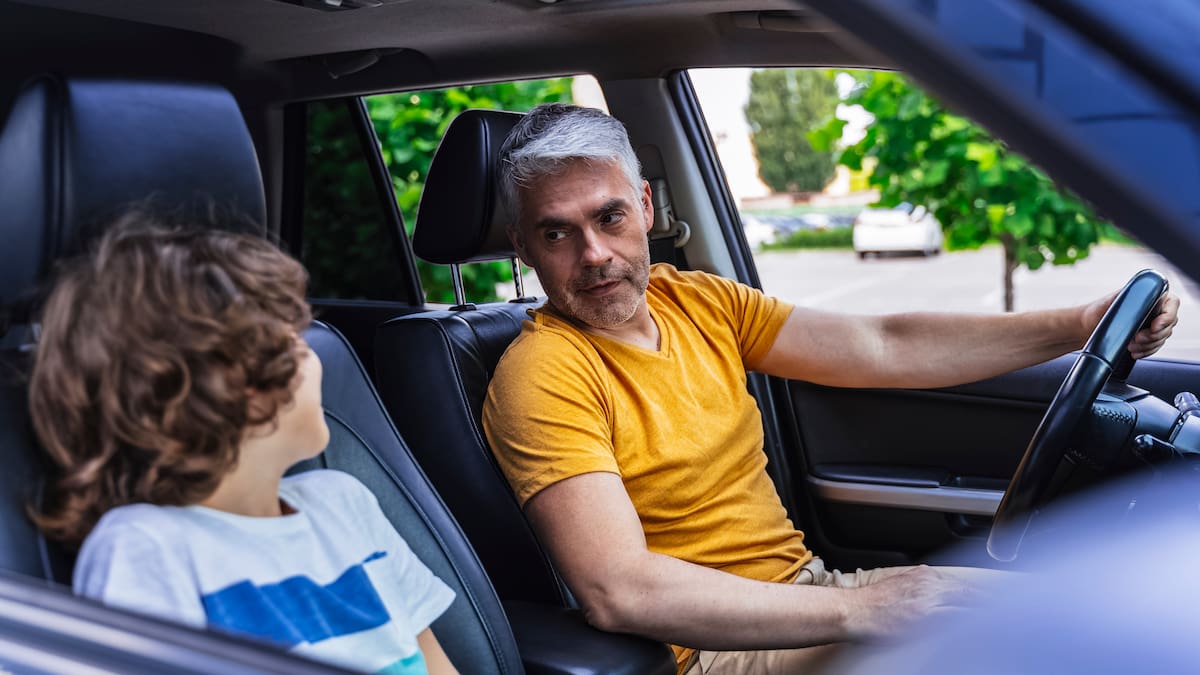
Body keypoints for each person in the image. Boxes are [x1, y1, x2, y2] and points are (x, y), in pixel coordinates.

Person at [480, 103, 1180, 675]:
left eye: (608, 218)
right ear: (524, 247)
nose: (596, 254)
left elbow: (884, 344)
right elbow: (619, 589)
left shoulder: (695, 301)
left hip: (809, 594)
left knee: (1101, 616)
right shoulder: (543, 373)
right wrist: (865, 608)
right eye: (557, 233)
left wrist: (1081, 323)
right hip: (709, 652)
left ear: (644, 205)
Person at [28, 212, 460, 675]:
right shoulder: (145, 548)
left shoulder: (345, 504)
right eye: (294, 342)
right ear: (234, 387)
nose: (313, 357)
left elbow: (434, 665)